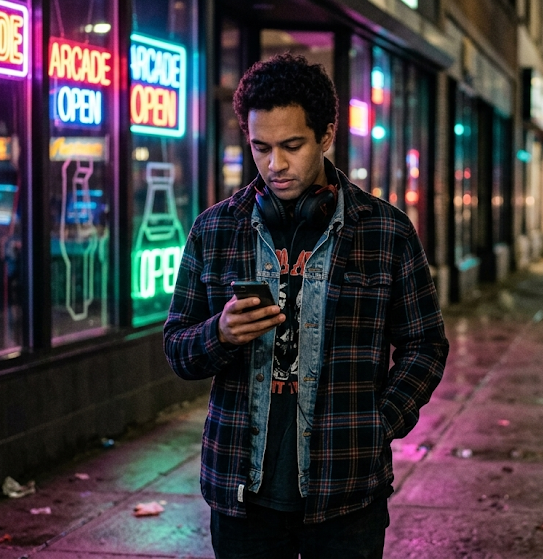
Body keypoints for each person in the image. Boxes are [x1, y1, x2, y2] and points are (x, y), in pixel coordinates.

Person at [163, 53, 449, 558]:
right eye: (261, 147)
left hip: (347, 496)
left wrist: (379, 423)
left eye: (292, 146)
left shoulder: (384, 231)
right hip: (240, 493)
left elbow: (425, 344)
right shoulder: (215, 230)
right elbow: (177, 348)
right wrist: (220, 334)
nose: (275, 165)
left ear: (327, 134)